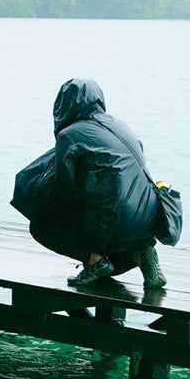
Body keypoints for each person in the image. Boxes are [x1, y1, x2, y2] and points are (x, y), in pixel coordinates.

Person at [10, 77, 167, 289]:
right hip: (147, 222)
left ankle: (94, 261)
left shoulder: (70, 135)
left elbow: (65, 192)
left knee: (40, 228)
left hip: (112, 224)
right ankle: (141, 255)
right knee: (113, 234)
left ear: (62, 106)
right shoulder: (120, 124)